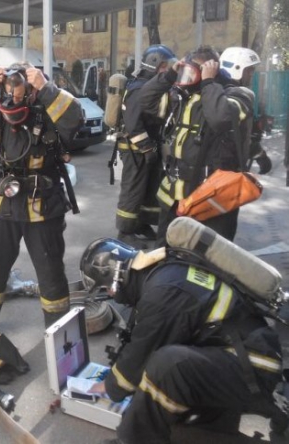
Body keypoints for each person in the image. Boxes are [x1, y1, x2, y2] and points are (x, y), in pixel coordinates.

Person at [80, 237, 284, 444]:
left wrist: (109, 386)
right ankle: (207, 422)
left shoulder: (162, 294)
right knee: (168, 370)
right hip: (243, 353)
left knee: (167, 365)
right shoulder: (164, 270)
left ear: (114, 275)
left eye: (106, 288)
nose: (110, 294)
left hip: (255, 366)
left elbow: (137, 361)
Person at [0, 61, 83, 328]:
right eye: (8, 87)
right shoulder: (0, 111)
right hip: (4, 204)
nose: (12, 94)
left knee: (51, 274)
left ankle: (60, 337)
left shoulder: (48, 107)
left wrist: (46, 88)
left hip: (43, 206)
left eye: (19, 87)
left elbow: (75, 119)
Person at [140, 46, 260, 244]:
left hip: (211, 197)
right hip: (175, 195)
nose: (186, 78)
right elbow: (145, 100)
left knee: (207, 260)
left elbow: (219, 118)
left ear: (210, 70)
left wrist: (208, 82)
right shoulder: (182, 97)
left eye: (193, 72)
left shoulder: (237, 94)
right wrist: (170, 75)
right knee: (164, 253)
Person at [115, 45, 177, 249]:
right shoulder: (138, 88)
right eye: (165, 67)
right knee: (133, 189)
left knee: (148, 189)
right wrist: (147, 148)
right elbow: (133, 124)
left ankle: (140, 224)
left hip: (148, 146)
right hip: (135, 149)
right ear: (155, 64)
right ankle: (124, 231)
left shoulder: (150, 85)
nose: (167, 71)